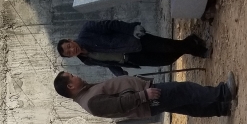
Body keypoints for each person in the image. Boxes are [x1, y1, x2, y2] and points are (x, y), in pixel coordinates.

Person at [53, 71, 237, 120]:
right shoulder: (91, 102)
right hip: (147, 99)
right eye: (72, 76)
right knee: (185, 90)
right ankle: (224, 92)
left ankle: (220, 108)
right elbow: (120, 104)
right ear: (70, 86)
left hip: (147, 100)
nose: (76, 76)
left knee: (184, 104)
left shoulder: (87, 93)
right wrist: (143, 95)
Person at [57, 20, 208, 77]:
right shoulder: (86, 60)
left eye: (69, 46)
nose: (72, 50)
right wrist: (120, 74)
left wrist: (132, 28)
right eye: (69, 53)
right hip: (132, 58)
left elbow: (111, 25)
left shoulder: (87, 30)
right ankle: (191, 41)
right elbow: (109, 63)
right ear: (70, 57)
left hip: (134, 41)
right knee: (166, 60)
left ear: (70, 40)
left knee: (168, 46)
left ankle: (197, 50)